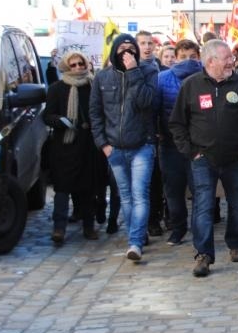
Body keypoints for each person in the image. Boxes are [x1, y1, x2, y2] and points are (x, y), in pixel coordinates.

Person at [169, 40, 238, 277]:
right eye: (226, 58)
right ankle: (204, 255)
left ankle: (235, 244)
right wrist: (191, 151)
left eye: (231, 57)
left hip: (235, 158)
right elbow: (177, 123)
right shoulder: (191, 86)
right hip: (202, 157)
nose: (232, 61)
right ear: (211, 61)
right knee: (203, 204)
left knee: (237, 203)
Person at [90, 33, 159, 261]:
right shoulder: (102, 78)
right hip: (114, 147)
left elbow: (147, 102)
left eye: (132, 49)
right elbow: (95, 113)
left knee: (140, 195)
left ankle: (135, 242)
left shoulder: (148, 72)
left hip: (142, 145)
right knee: (126, 196)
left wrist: (133, 73)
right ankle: (135, 234)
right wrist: (103, 144)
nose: (127, 53)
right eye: (123, 49)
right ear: (114, 51)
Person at [44, 51, 101, 243]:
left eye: (80, 64)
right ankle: (59, 228)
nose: (78, 68)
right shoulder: (57, 88)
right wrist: (61, 121)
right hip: (64, 146)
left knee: (88, 188)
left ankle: (88, 226)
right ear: (67, 68)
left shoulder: (93, 85)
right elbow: (47, 115)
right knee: (62, 189)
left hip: (88, 145)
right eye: (73, 65)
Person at [155, 39, 202, 246]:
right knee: (173, 191)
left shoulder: (205, 77)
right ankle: (178, 228)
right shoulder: (162, 78)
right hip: (170, 144)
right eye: (183, 57)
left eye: (192, 57)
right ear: (175, 57)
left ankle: (200, 230)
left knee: (200, 191)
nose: (188, 61)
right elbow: (155, 109)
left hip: (198, 145)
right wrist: (157, 132)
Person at [136, 30, 165, 238]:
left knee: (157, 180)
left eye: (149, 43)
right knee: (141, 183)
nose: (147, 47)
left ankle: (155, 218)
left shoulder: (162, 70)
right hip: (141, 133)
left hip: (160, 133)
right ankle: (143, 224)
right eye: (143, 43)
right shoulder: (132, 70)